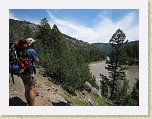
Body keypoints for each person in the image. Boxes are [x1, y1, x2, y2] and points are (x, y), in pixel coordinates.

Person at [20, 38, 39, 106]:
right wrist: (37, 60)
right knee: (31, 89)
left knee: (26, 88)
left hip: (21, 72)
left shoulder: (21, 50)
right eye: (33, 43)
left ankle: (28, 102)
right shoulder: (31, 50)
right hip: (29, 72)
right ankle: (31, 105)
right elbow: (36, 61)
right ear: (31, 44)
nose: (34, 44)